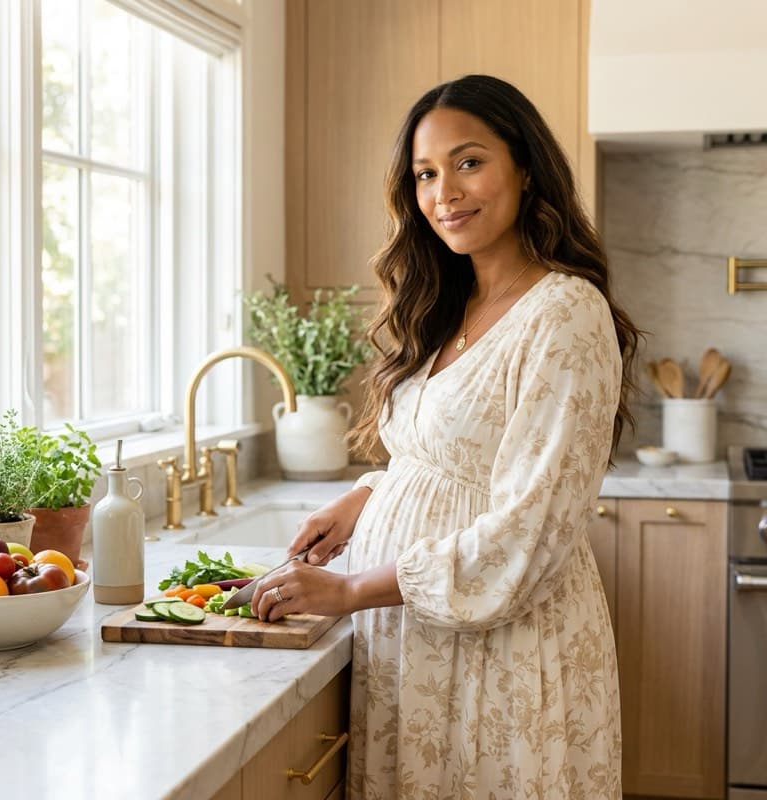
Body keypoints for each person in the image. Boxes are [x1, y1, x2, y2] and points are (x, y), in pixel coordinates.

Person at [251, 74, 640, 799]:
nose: (444, 192)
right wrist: (368, 497)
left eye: (468, 162)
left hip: (502, 654)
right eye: (425, 174)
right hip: (416, 644)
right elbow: (443, 453)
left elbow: (530, 531)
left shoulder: (564, 314)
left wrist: (350, 589)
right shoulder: (450, 303)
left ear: (525, 167)